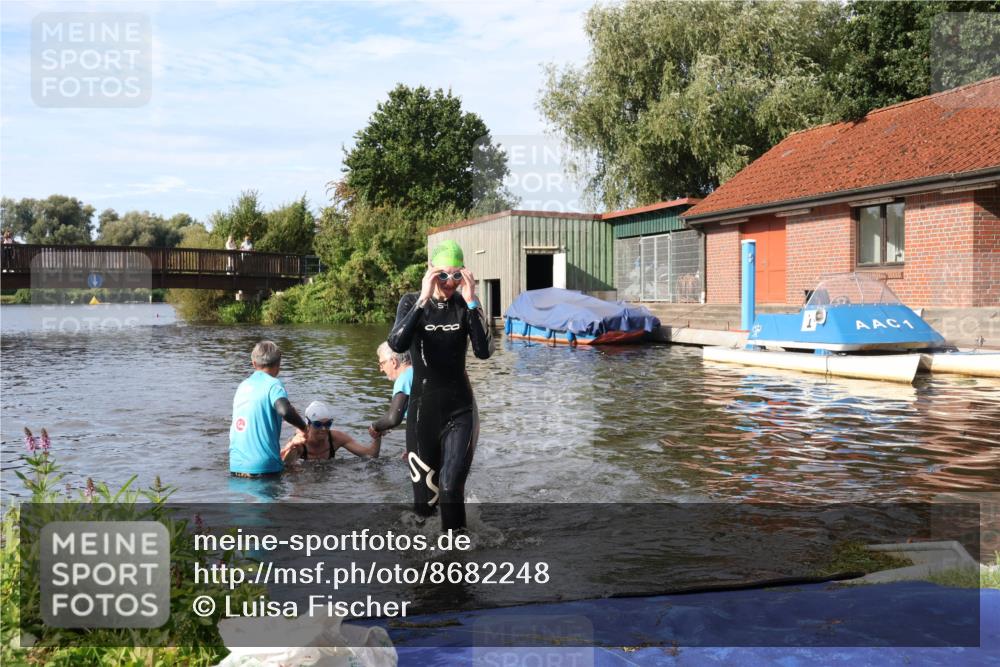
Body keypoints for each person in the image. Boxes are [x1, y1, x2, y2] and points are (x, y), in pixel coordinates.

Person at [387, 239, 492, 531]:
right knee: (424, 505)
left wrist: (472, 302)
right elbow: (397, 343)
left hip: (460, 411)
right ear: (430, 270)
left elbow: (484, 352)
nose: (450, 282)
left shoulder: (466, 304)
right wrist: (423, 299)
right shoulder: (411, 302)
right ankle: (428, 564)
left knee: (449, 488)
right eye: (443, 275)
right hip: (423, 414)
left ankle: (456, 556)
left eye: (457, 275)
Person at [229, 340, 308, 477]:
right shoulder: (274, 385)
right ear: (278, 365)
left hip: (236, 466)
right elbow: (285, 410)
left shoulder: (243, 386)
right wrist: (304, 428)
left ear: (254, 363)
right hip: (264, 468)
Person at [281, 401, 381, 463]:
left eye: (328, 424)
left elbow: (371, 455)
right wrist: (291, 446)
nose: (324, 429)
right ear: (308, 424)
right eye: (318, 424)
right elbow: (284, 466)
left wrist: (378, 435)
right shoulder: (300, 443)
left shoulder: (336, 438)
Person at [369, 342, 413, 439]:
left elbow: (392, 419)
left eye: (382, 363)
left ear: (393, 362)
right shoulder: (417, 371)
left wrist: (375, 427)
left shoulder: (404, 378)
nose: (381, 369)